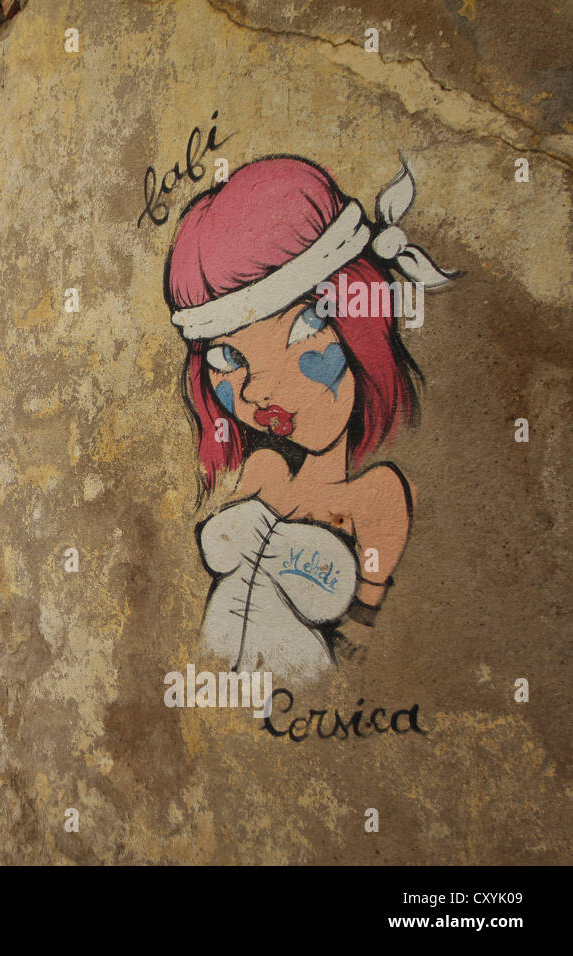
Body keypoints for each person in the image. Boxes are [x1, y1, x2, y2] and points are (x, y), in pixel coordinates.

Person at [163, 155, 456, 683]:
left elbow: (357, 659)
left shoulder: (378, 497)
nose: (256, 389)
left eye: (301, 328)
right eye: (226, 360)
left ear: (359, 318)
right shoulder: (262, 474)